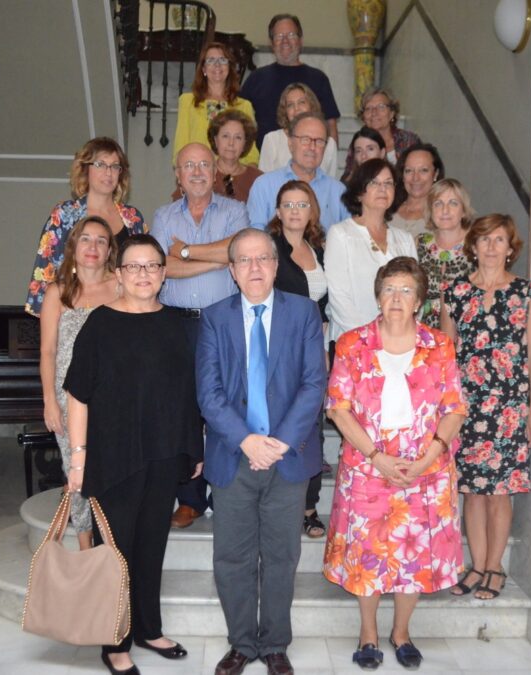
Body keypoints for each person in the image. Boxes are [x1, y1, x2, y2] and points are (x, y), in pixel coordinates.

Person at [65, 234, 203, 675]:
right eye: (133, 267)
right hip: (113, 455)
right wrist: (78, 458)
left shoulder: (177, 323)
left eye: (152, 266)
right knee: (117, 550)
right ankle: (114, 640)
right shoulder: (100, 323)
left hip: (164, 452)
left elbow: (187, 394)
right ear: (119, 274)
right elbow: (77, 395)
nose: (143, 274)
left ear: (163, 273)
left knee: (151, 546)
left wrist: (192, 448)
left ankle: (147, 627)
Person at [323, 257, 466, 671]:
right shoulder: (353, 344)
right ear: (378, 297)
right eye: (389, 289)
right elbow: (339, 409)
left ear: (420, 300)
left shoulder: (439, 345)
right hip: (369, 464)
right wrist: (375, 456)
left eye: (406, 290)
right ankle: (368, 632)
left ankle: (401, 632)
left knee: (414, 556)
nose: (396, 298)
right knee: (368, 554)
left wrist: (430, 456)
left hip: (427, 467)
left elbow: (455, 409)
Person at [197, 228, 327, 675]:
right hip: (233, 457)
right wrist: (247, 440)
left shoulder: (305, 313)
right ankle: (240, 643)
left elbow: (314, 384)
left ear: (276, 264)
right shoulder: (213, 318)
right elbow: (209, 393)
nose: (255, 268)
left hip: (287, 459)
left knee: (281, 556)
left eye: (263, 259)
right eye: (245, 261)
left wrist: (278, 443)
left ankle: (274, 643)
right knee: (231, 557)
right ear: (231, 270)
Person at [441, 213, 531, 602]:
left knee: (500, 492)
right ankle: (477, 565)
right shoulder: (454, 292)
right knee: (472, 491)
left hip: (509, 408)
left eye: (499, 240)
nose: (490, 247)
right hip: (466, 407)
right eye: (484, 239)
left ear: (510, 247)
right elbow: (446, 356)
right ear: (473, 245)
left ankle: (496, 567)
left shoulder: (528, 292)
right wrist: (444, 410)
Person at [151, 142, 252, 528]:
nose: (196, 171)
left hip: (223, 321)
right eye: (187, 165)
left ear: (215, 172)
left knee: (224, 405)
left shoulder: (235, 210)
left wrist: (188, 252)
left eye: (203, 165)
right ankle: (189, 499)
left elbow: (236, 252)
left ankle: (226, 492)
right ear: (177, 175)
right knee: (184, 410)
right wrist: (213, 258)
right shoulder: (163, 215)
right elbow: (161, 268)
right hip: (175, 322)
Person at [39, 216, 118, 551]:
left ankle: (113, 539)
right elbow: (47, 351)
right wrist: (49, 402)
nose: (93, 247)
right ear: (74, 246)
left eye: (101, 241)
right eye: (86, 239)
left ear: (110, 250)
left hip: (114, 396)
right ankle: (86, 546)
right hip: (68, 396)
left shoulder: (120, 286)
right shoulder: (59, 292)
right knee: (77, 471)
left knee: (112, 468)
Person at [266, 180, 329, 539]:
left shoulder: (317, 249)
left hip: (312, 350)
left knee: (311, 427)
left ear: (311, 211)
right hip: (277, 351)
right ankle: (280, 505)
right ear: (278, 211)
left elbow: (320, 303)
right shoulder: (269, 249)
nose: (294, 211)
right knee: (278, 423)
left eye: (301, 204)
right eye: (287, 204)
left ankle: (308, 506)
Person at [25, 137, 145, 316]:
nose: (108, 172)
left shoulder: (133, 219)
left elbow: (146, 270)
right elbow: (45, 274)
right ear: (85, 169)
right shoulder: (64, 214)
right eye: (100, 165)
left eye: (115, 166)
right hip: (73, 311)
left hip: (123, 313)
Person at [324, 158, 417, 344]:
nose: (383, 189)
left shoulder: (404, 239)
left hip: (398, 342)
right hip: (353, 341)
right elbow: (339, 297)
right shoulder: (340, 234)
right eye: (374, 182)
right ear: (359, 193)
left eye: (388, 183)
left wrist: (401, 335)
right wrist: (369, 339)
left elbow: (416, 291)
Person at [240, 14, 341, 148]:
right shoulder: (256, 78)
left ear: (300, 40)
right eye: (279, 36)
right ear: (271, 43)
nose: (285, 41)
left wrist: (328, 161)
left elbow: (330, 126)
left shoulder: (318, 79)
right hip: (264, 163)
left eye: (291, 35)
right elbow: (239, 120)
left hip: (309, 162)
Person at [247, 112, 348, 231]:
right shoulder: (264, 185)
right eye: (305, 140)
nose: (312, 147)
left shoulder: (338, 192)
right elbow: (255, 236)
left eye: (319, 141)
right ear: (290, 144)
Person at [173, 42, 259, 167]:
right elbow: (180, 148)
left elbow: (251, 153)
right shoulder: (187, 101)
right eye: (211, 60)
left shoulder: (244, 105)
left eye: (223, 60)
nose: (217, 64)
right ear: (203, 69)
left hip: (233, 175)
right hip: (198, 173)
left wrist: (245, 178)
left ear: (229, 67)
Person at [415, 178, 476, 327]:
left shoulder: (476, 244)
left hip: (466, 329)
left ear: (463, 211)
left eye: (453, 203)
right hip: (425, 332)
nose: (445, 210)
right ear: (430, 210)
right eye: (438, 203)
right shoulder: (419, 243)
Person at [172, 109, 262, 203]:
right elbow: (177, 209)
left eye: (238, 137)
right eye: (225, 136)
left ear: (245, 143)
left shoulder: (258, 179)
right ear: (215, 140)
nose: (231, 143)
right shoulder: (198, 173)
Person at [258, 83, 339, 176]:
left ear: (312, 106)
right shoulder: (272, 139)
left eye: (302, 102)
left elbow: (331, 182)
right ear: (285, 112)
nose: (296, 109)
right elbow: (264, 179)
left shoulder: (328, 143)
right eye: (290, 105)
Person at [341, 89, 422, 179]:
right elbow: (347, 177)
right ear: (363, 116)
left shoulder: (408, 140)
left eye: (381, 107)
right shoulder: (360, 142)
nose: (374, 113)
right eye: (368, 108)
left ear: (391, 113)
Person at [390, 143, 446, 237]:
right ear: (402, 175)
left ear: (435, 174)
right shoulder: (387, 209)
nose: (415, 178)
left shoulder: (444, 215)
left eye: (423, 170)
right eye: (409, 170)